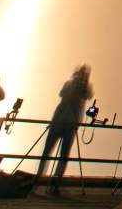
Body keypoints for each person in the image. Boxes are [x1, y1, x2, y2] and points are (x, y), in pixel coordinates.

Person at [36, 65, 93, 194]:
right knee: (47, 151)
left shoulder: (85, 87)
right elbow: (62, 93)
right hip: (58, 120)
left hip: (71, 123)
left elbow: (87, 95)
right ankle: (38, 179)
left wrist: (84, 81)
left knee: (63, 155)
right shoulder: (69, 84)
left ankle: (56, 183)